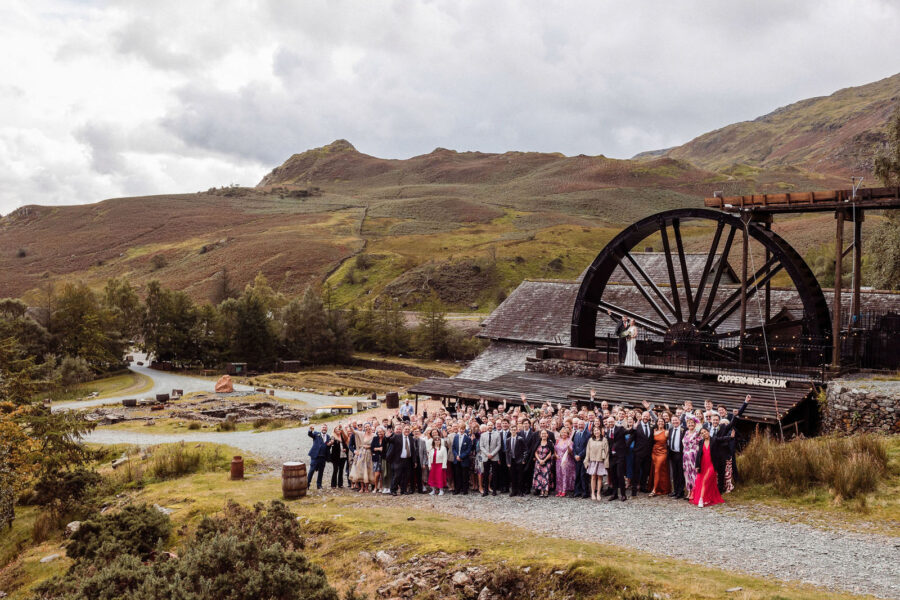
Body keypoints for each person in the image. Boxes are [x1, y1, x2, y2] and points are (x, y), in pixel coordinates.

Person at [690, 427, 723, 507]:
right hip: (703, 465)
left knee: (705, 480)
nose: (704, 433)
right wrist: (697, 465)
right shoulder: (701, 442)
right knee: (701, 481)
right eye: (702, 433)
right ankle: (706, 498)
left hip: (711, 465)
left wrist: (731, 437)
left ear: (708, 431)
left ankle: (701, 499)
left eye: (705, 432)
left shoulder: (714, 440)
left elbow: (723, 439)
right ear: (701, 435)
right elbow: (698, 455)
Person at [632, 411, 655, 496]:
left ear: (649, 417)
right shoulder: (637, 426)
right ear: (641, 416)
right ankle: (634, 489)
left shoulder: (651, 426)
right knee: (636, 471)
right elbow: (631, 437)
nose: (645, 418)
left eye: (647, 416)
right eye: (644, 416)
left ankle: (643, 487)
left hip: (648, 454)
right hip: (638, 453)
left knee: (645, 471)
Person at [648, 415, 671, 497]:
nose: (660, 423)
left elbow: (669, 443)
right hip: (654, 452)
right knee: (655, 470)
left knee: (658, 470)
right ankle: (661, 487)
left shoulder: (667, 432)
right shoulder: (654, 431)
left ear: (664, 423)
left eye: (662, 422)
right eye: (659, 422)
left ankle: (655, 489)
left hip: (663, 453)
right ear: (657, 423)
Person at [585, 424, 609, 500]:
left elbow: (607, 451)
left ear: (600, 431)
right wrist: (587, 460)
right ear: (593, 432)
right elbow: (587, 451)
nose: (596, 432)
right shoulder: (590, 440)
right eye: (595, 430)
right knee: (593, 477)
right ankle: (592, 493)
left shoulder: (604, 439)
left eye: (598, 430)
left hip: (600, 460)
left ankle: (598, 493)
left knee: (599, 477)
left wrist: (606, 462)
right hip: (592, 460)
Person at [606, 417, 627, 502]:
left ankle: (623, 494)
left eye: (611, 421)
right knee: (613, 476)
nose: (610, 423)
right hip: (612, 457)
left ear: (614, 422)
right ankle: (614, 494)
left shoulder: (620, 429)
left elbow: (629, 432)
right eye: (609, 422)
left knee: (620, 475)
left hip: (620, 456)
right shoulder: (607, 432)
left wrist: (626, 445)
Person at [349, 423, 375, 491]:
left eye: (368, 426)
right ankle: (362, 487)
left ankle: (366, 488)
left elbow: (375, 445)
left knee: (368, 470)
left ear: (371, 427)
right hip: (361, 453)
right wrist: (350, 425)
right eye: (366, 427)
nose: (367, 428)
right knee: (361, 470)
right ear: (364, 428)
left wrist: (369, 446)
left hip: (369, 454)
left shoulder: (374, 435)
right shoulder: (362, 434)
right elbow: (354, 431)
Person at [449, 423, 473, 495]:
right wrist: (456, 456)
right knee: (457, 475)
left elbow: (469, 450)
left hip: (464, 459)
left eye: (463, 429)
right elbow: (453, 448)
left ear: (464, 429)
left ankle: (465, 490)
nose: (461, 430)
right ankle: (457, 489)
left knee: (464, 475)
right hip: (456, 459)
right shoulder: (456, 437)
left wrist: (461, 456)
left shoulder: (467, 438)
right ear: (458, 429)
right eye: (460, 429)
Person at [479, 421, 501, 496]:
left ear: (493, 426)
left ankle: (494, 490)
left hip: (494, 457)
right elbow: (481, 446)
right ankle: (485, 491)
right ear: (486, 426)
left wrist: (492, 454)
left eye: (491, 425)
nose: (490, 426)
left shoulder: (497, 434)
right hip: (485, 456)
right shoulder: (483, 435)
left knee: (494, 474)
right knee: (485, 474)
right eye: (488, 425)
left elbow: (499, 445)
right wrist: (487, 454)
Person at [505, 422, 527, 497]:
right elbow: (507, 451)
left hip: (519, 460)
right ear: (510, 430)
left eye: (515, 430)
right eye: (512, 430)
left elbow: (525, 450)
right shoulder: (508, 440)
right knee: (512, 476)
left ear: (517, 430)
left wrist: (523, 459)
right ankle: (514, 491)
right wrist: (508, 461)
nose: (513, 431)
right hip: (512, 460)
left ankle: (520, 491)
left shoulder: (520, 439)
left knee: (520, 476)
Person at [682, 415, 701, 499]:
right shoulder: (686, 433)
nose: (690, 424)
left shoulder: (697, 433)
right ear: (687, 424)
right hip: (685, 456)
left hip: (693, 456)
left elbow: (700, 445)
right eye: (689, 423)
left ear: (695, 424)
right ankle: (689, 491)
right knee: (687, 473)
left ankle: (694, 491)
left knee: (694, 474)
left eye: (692, 423)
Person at [307, 424, 331, 490]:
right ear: (321, 428)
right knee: (311, 470)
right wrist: (310, 430)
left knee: (321, 472)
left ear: (327, 429)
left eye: (325, 428)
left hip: (323, 457)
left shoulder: (328, 437)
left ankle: (319, 485)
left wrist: (330, 445)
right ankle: (307, 485)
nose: (324, 429)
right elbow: (310, 434)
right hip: (315, 456)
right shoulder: (316, 434)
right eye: (323, 427)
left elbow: (328, 447)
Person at [572, 419, 591, 499]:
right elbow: (574, 446)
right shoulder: (576, 433)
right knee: (578, 475)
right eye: (579, 425)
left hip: (584, 458)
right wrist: (575, 455)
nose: (580, 426)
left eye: (581, 424)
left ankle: (585, 492)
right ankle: (577, 491)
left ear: (585, 425)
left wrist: (580, 455)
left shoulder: (588, 434)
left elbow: (587, 447)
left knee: (583, 475)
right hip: (577, 458)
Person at [667, 416, 685, 499]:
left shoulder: (684, 430)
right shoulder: (670, 430)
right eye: (673, 420)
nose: (674, 422)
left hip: (681, 454)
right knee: (674, 473)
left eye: (676, 420)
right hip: (672, 454)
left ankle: (680, 492)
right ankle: (675, 490)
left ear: (679, 421)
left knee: (680, 474)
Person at [532, 430, 554, 498]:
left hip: (546, 461)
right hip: (538, 461)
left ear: (547, 435)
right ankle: (541, 490)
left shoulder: (550, 442)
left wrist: (544, 460)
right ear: (540, 435)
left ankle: (546, 490)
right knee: (539, 476)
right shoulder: (538, 442)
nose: (543, 435)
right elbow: (535, 452)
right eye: (542, 434)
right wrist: (539, 460)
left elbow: (551, 452)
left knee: (546, 476)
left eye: (545, 433)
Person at [554, 427, 575, 497]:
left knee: (564, 475)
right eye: (562, 432)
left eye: (565, 432)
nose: (563, 434)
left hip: (566, 460)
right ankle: (559, 490)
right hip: (558, 460)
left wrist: (569, 447)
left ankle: (564, 490)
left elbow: (571, 452)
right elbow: (555, 449)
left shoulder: (570, 441)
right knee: (559, 475)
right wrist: (555, 455)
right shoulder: (558, 440)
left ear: (568, 434)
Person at [426, 428, 447, 495]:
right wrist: (429, 465)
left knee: (439, 477)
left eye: (438, 440)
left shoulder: (443, 448)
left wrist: (444, 466)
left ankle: (441, 490)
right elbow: (429, 458)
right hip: (433, 465)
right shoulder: (431, 449)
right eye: (436, 440)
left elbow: (445, 457)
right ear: (434, 442)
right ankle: (433, 490)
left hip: (439, 465)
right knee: (432, 477)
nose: (437, 442)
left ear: (440, 441)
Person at [328, 425, 347, 489]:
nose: (338, 430)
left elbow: (345, 443)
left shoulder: (342, 436)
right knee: (335, 470)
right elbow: (329, 443)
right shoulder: (333, 437)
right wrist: (330, 442)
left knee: (341, 470)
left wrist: (345, 449)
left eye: (339, 429)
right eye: (336, 429)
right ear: (334, 431)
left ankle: (340, 484)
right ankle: (333, 484)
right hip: (335, 456)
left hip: (343, 456)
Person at [370, 426, 387, 494]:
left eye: (381, 431)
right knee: (376, 474)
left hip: (383, 458)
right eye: (379, 432)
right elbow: (372, 448)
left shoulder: (385, 439)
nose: (380, 433)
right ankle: (375, 487)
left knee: (382, 474)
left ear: (384, 432)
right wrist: (378, 449)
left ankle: (381, 487)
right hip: (376, 458)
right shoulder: (375, 438)